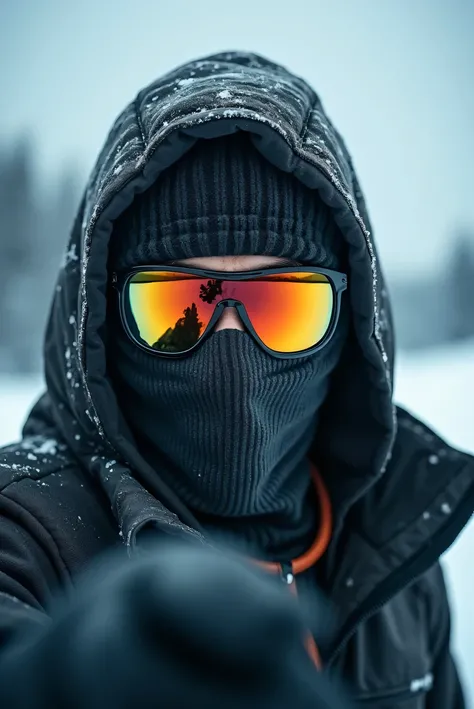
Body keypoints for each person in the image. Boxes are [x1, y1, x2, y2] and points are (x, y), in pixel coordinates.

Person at [0, 50, 471, 707]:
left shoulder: (395, 563)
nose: (231, 347)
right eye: (174, 306)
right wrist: (63, 674)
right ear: (103, 318)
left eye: (285, 303)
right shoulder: (29, 529)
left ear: (350, 325)